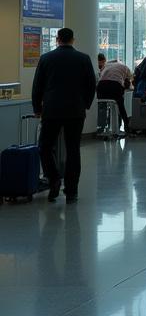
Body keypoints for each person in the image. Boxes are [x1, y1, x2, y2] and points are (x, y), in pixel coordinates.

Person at [32, 27, 96, 203]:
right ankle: (72, 190)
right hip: (75, 111)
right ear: (73, 40)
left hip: (51, 110)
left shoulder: (46, 58)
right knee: (73, 149)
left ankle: (53, 179)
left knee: (45, 146)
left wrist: (37, 107)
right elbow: (91, 84)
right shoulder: (83, 58)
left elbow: (37, 85)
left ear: (57, 39)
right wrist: (85, 104)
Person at [96, 52, 132, 132]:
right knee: (120, 107)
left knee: (102, 107)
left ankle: (101, 129)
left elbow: (101, 76)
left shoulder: (106, 65)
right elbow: (129, 79)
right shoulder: (124, 67)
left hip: (101, 86)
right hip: (115, 86)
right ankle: (126, 128)